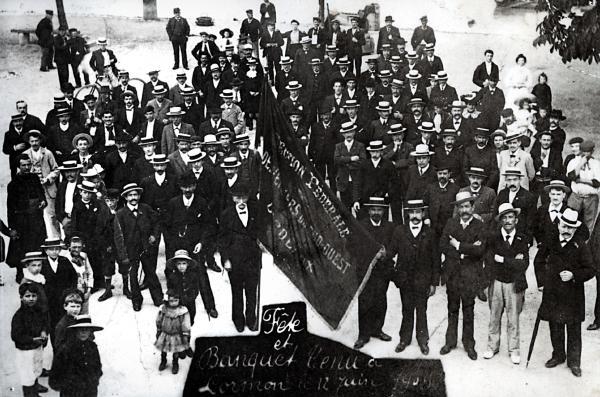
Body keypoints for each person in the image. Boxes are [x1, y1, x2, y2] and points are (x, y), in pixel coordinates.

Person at [534, 208, 595, 377]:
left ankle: (574, 362)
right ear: (559, 224)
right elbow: (538, 261)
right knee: (555, 324)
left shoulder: (580, 244)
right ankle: (558, 355)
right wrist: (541, 283)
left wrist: (574, 275)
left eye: (570, 227)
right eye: (564, 226)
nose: (566, 230)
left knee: (574, 328)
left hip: (573, 294)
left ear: (575, 229)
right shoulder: (550, 240)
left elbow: (590, 269)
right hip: (553, 291)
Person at [163, 171, 219, 318]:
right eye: (184, 187)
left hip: (195, 246)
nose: (187, 190)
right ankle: (173, 305)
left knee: (201, 275)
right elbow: (166, 226)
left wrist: (201, 242)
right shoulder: (173, 203)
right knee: (173, 275)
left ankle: (210, 306)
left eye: (191, 187)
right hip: (176, 247)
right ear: (180, 187)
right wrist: (173, 245)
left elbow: (209, 225)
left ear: (195, 186)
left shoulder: (201, 202)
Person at [439, 191, 487, 360]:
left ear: (473, 207)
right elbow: (443, 245)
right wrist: (467, 249)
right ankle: (450, 342)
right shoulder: (451, 223)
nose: (465, 210)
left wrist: (458, 245)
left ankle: (469, 344)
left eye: (467, 206)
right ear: (457, 209)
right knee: (452, 309)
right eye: (461, 207)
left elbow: (480, 250)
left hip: (470, 275)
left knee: (468, 310)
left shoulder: (480, 226)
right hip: (453, 274)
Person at [482, 203, 529, 365]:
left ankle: (514, 349)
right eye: (504, 218)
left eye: (511, 217)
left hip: (515, 284)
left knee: (513, 318)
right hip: (496, 281)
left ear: (516, 220)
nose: (508, 221)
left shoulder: (522, 238)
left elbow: (523, 264)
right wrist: (513, 260)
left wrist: (502, 259)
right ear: (500, 220)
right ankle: (492, 346)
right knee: (494, 316)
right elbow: (489, 260)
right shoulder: (493, 237)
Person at [391, 199, 439, 355]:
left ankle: (422, 340)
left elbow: (435, 259)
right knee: (406, 309)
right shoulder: (399, 231)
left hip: (422, 280)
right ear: (408, 214)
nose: (415, 215)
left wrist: (433, 283)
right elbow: (391, 252)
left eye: (418, 212)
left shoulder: (430, 233)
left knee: (421, 310)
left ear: (423, 213)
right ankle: (404, 339)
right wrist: (396, 275)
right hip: (405, 279)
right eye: (412, 212)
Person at [219, 183, 262, 332]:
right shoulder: (226, 215)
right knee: (236, 292)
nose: (241, 201)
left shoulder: (256, 212)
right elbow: (222, 240)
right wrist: (226, 260)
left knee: (251, 292)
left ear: (248, 197)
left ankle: (251, 318)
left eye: (244, 197)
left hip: (252, 260)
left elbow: (263, 232)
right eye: (238, 198)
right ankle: (238, 319)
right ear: (233, 198)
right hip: (235, 261)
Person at [353, 197, 395, 350]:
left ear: (383, 211)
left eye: (379, 209)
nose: (376, 212)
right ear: (369, 210)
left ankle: (377, 330)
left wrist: (386, 254)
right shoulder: (361, 226)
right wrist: (370, 254)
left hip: (383, 271)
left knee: (380, 299)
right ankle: (363, 335)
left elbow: (394, 246)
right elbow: (352, 246)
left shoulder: (389, 227)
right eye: (373, 209)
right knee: (365, 301)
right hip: (365, 271)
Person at [116, 182, 163, 311]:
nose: (133, 197)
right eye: (130, 195)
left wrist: (154, 235)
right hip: (131, 250)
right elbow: (118, 236)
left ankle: (158, 298)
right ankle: (136, 300)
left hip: (146, 248)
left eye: (135, 194)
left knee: (151, 274)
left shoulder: (146, 209)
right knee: (133, 276)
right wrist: (123, 254)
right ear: (125, 198)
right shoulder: (120, 214)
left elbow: (157, 222)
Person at [6, 154, 47, 283]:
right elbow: (10, 208)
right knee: (22, 248)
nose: (27, 167)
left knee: (38, 245)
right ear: (18, 167)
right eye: (23, 165)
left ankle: (39, 271)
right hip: (22, 222)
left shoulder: (35, 178)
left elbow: (42, 194)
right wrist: (12, 228)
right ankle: (21, 273)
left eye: (28, 164)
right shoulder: (13, 184)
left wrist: (43, 201)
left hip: (36, 219)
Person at [11, 283, 50, 397]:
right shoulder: (19, 316)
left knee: (36, 370)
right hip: (25, 351)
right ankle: (29, 394)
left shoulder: (39, 312)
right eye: (27, 296)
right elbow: (16, 336)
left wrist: (43, 331)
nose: (31, 299)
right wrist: (32, 339)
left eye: (34, 295)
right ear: (21, 298)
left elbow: (45, 324)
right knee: (27, 376)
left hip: (37, 348)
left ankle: (35, 392)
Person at [49, 315, 103, 396]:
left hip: (89, 390)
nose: (84, 332)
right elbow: (56, 371)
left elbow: (97, 366)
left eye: (87, 329)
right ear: (75, 331)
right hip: (71, 391)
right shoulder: (66, 349)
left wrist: (94, 380)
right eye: (81, 329)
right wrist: (65, 385)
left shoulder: (92, 347)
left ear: (90, 331)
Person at [23, 130, 61, 238]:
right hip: (33, 190)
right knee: (35, 216)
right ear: (29, 142)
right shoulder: (25, 154)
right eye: (32, 141)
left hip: (48, 188)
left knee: (52, 215)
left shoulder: (47, 153)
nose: (34, 143)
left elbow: (56, 169)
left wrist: (48, 178)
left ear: (40, 140)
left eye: (36, 140)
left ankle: (57, 239)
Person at [566, 139, 600, 233]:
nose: (585, 154)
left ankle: (585, 246)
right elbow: (571, 177)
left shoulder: (596, 163)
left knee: (588, 224)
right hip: (576, 196)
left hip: (591, 197)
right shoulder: (573, 162)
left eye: (588, 152)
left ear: (592, 151)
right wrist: (581, 164)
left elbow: (597, 182)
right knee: (570, 220)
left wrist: (580, 180)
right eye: (583, 151)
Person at [155, 289, 191, 374]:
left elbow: (185, 323)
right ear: (167, 301)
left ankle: (175, 363)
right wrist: (158, 329)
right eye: (171, 301)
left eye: (176, 301)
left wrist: (185, 334)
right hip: (165, 333)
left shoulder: (182, 311)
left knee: (176, 350)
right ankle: (163, 361)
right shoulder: (163, 310)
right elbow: (159, 320)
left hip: (176, 335)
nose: (174, 303)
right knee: (163, 349)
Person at [334, 122, 366, 211]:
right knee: (346, 211)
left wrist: (344, 161)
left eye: (350, 132)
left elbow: (362, 162)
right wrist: (351, 159)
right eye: (346, 133)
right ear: (343, 134)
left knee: (359, 210)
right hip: (344, 182)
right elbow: (336, 160)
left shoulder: (360, 146)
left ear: (354, 132)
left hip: (356, 181)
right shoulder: (339, 146)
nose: (348, 135)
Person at [63, 236, 94, 314]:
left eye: (79, 247)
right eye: (74, 247)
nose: (77, 250)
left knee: (84, 313)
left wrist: (89, 288)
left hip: (85, 290)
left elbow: (90, 272)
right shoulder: (64, 258)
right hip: (72, 292)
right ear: (69, 247)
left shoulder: (84, 255)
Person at [53, 25, 70, 90]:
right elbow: (58, 48)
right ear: (59, 31)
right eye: (61, 31)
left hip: (65, 59)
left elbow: (67, 49)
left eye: (64, 31)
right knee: (61, 74)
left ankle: (66, 85)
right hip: (59, 59)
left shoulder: (65, 38)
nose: (63, 32)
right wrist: (65, 46)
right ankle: (63, 87)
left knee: (66, 73)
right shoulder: (56, 38)